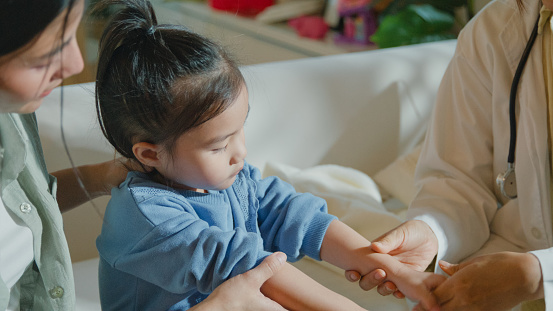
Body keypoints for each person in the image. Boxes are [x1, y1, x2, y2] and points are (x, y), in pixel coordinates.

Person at [93, 1, 447, 310]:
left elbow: (294, 216)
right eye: (218, 146)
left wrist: (392, 269)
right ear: (150, 154)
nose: (240, 153)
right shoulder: (145, 217)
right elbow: (243, 265)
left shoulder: (225, 177)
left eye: (240, 130)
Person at [0, 0, 290, 310]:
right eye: (42, 56)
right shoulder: (146, 213)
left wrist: (100, 176)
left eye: (73, 34)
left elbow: (21, 204)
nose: (76, 64)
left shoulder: (12, 115)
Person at [346, 0, 552, 310]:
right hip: (507, 260)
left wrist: (539, 274)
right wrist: (431, 231)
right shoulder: (494, 30)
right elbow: (459, 180)